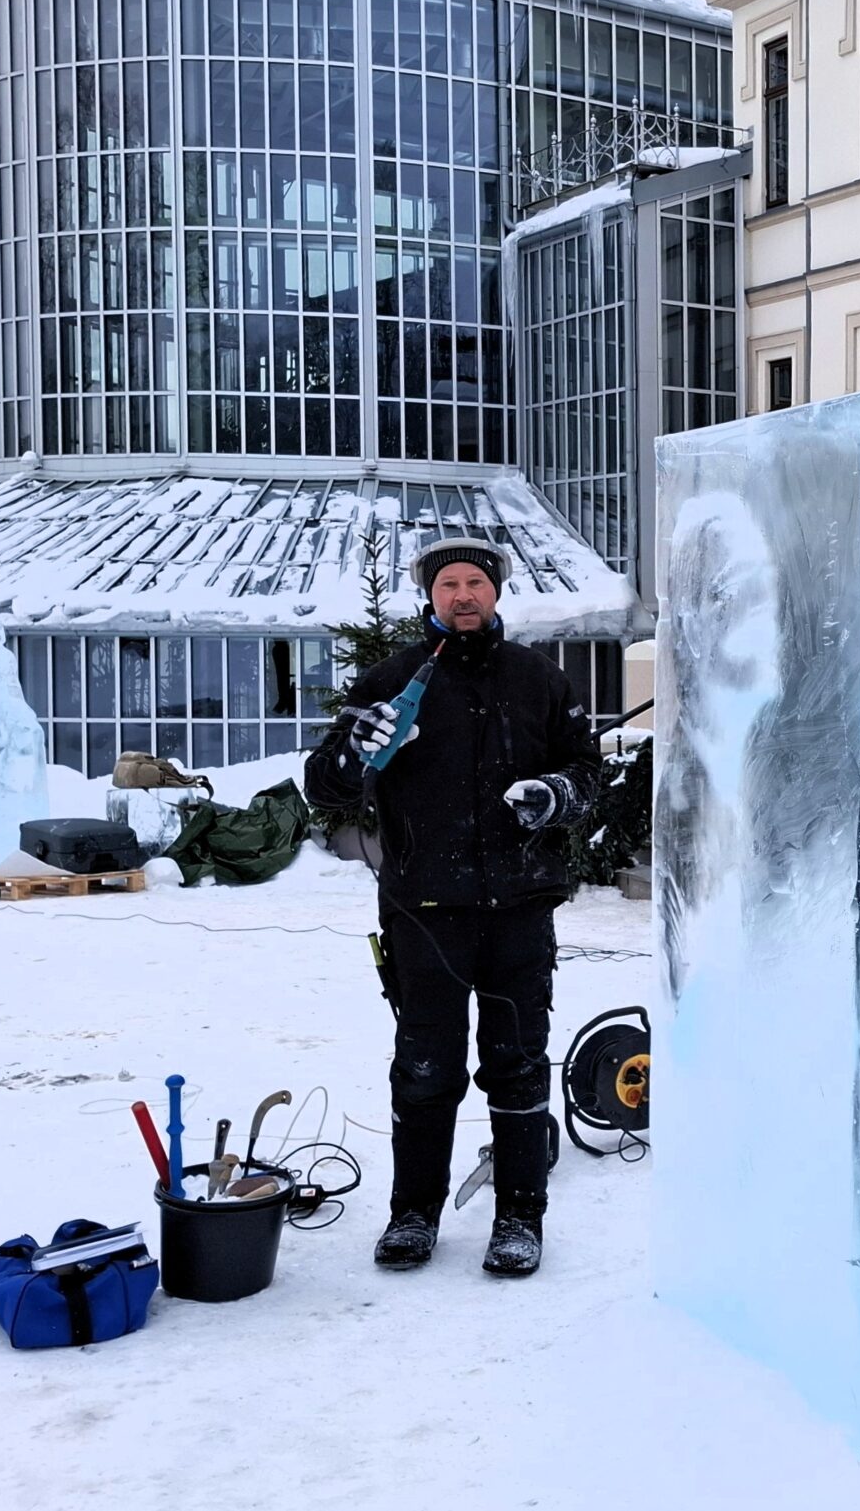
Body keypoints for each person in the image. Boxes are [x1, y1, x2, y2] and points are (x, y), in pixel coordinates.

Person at [305, 535, 608, 1279]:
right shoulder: (392, 678)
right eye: (449, 585)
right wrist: (356, 751)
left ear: (496, 591)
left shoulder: (539, 679)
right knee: (425, 1067)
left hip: (518, 909)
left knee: (517, 1066)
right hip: (422, 911)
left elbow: (587, 773)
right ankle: (414, 1213)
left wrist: (555, 795)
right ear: (430, 596)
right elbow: (326, 786)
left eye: (476, 581)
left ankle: (519, 1217)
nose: (463, 595)